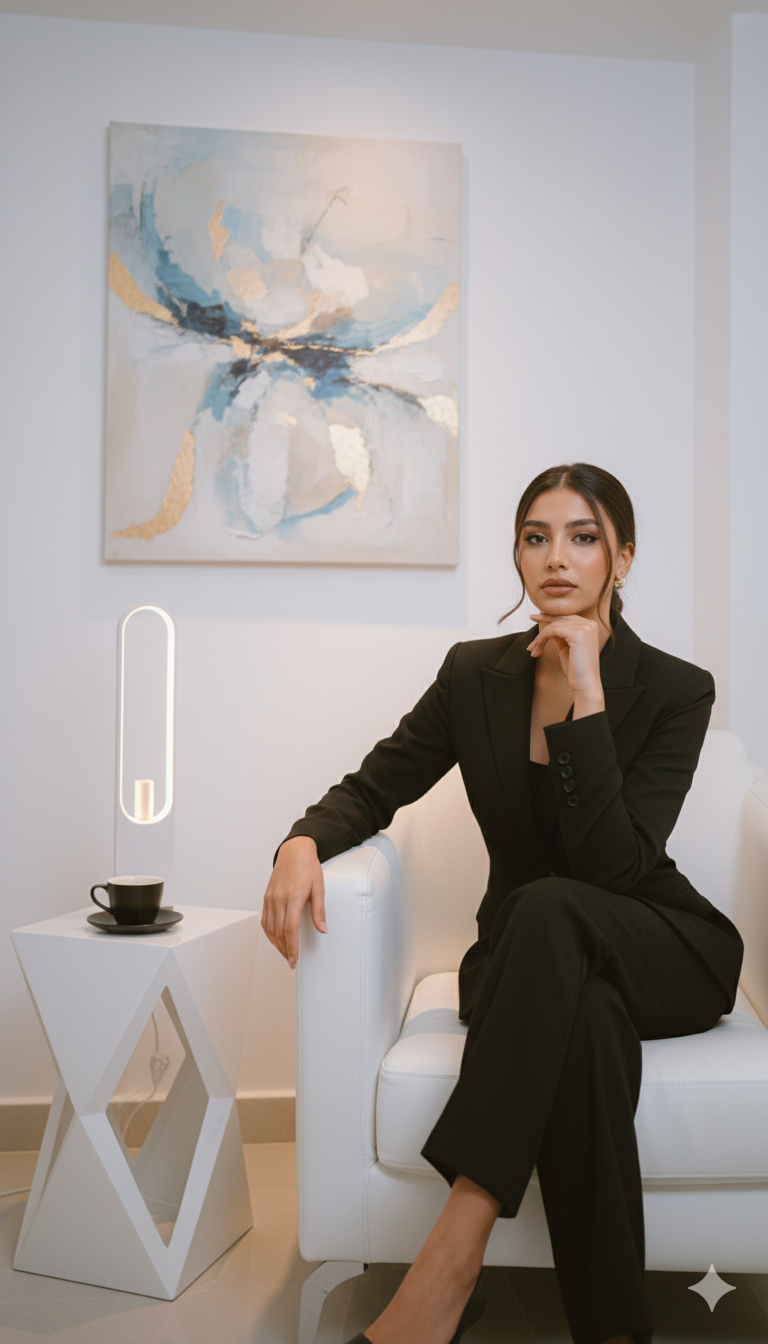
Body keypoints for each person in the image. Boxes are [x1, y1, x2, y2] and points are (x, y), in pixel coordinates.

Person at [261, 463, 744, 1344]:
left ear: (622, 558)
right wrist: (300, 841)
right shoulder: (474, 675)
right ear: (517, 555)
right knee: (584, 1017)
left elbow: (613, 869)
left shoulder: (678, 688)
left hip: (662, 943)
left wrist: (588, 694)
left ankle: (450, 1260)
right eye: (535, 535)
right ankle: (616, 1329)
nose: (556, 556)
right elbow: (377, 786)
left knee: (559, 904)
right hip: (528, 961)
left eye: (583, 536)